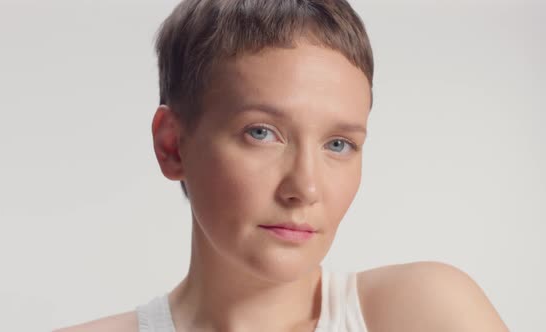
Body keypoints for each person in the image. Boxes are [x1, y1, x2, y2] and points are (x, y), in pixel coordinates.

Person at [55, 0, 509, 331]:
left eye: (338, 143)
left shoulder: (426, 313)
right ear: (173, 145)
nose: (306, 187)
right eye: (261, 132)